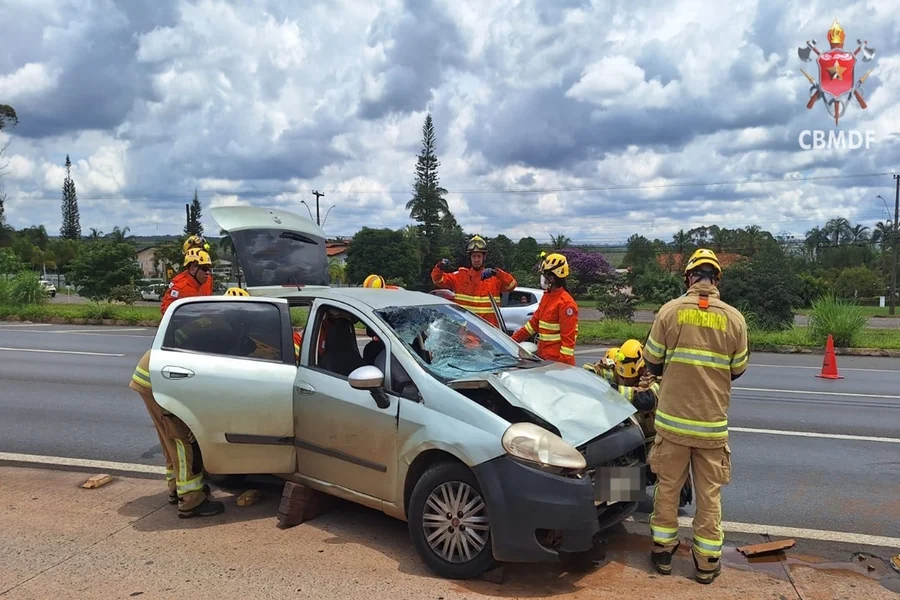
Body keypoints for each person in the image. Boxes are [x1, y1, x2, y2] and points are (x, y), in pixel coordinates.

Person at [643, 248, 749, 584]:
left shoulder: (669, 312)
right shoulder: (734, 319)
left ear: (689, 277)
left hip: (672, 425)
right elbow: (738, 369)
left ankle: (662, 554)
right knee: (709, 496)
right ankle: (706, 563)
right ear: (717, 279)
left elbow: (652, 362)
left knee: (668, 489)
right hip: (711, 428)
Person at [128, 248, 225, 519]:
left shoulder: (205, 288)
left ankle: (174, 489)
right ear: (191, 267)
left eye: (210, 269)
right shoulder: (180, 291)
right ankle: (190, 499)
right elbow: (169, 317)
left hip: (153, 374)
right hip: (158, 379)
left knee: (170, 440)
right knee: (182, 440)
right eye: (204, 269)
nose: (209, 273)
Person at [431, 235, 517, 328]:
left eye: (479, 256)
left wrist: (497, 273)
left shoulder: (494, 279)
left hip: (489, 334)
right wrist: (440, 267)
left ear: (484, 257)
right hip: (465, 334)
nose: (476, 259)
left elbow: (512, 285)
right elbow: (437, 280)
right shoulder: (460, 276)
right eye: (474, 256)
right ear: (470, 257)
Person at [511, 253, 578, 365]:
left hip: (558, 363)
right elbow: (532, 325)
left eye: (545, 276)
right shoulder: (547, 296)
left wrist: (562, 369)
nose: (544, 279)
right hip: (544, 358)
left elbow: (568, 344)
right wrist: (510, 341)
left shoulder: (566, 304)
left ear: (553, 277)